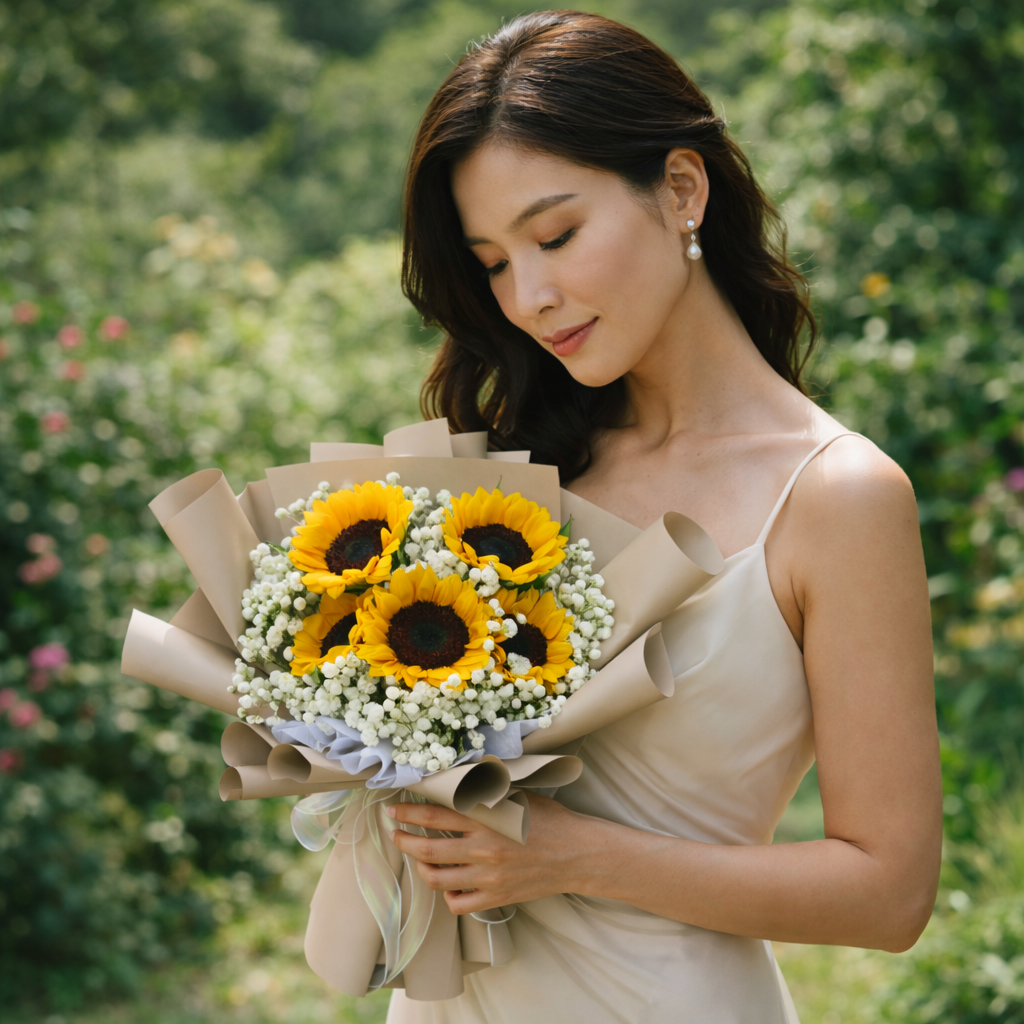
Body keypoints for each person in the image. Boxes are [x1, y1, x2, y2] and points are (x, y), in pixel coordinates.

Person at [384, 10, 942, 1022]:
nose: (531, 296)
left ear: (681, 189)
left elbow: (890, 890)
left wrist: (570, 857)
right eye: (495, 262)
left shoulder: (835, 496)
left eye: (554, 235)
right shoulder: (514, 469)